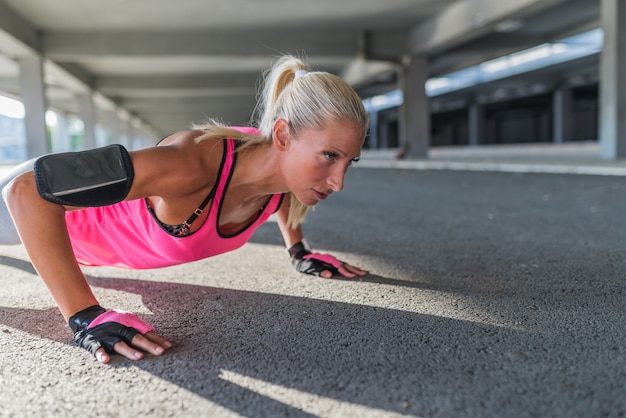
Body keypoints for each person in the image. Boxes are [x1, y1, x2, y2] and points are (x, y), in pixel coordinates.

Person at [0, 55, 369, 364]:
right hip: (34, 213)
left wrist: (298, 250)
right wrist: (85, 315)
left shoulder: (282, 175)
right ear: (283, 136)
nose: (338, 182)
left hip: (79, 244)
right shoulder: (191, 164)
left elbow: (281, 195)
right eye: (330, 156)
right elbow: (26, 191)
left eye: (349, 161)